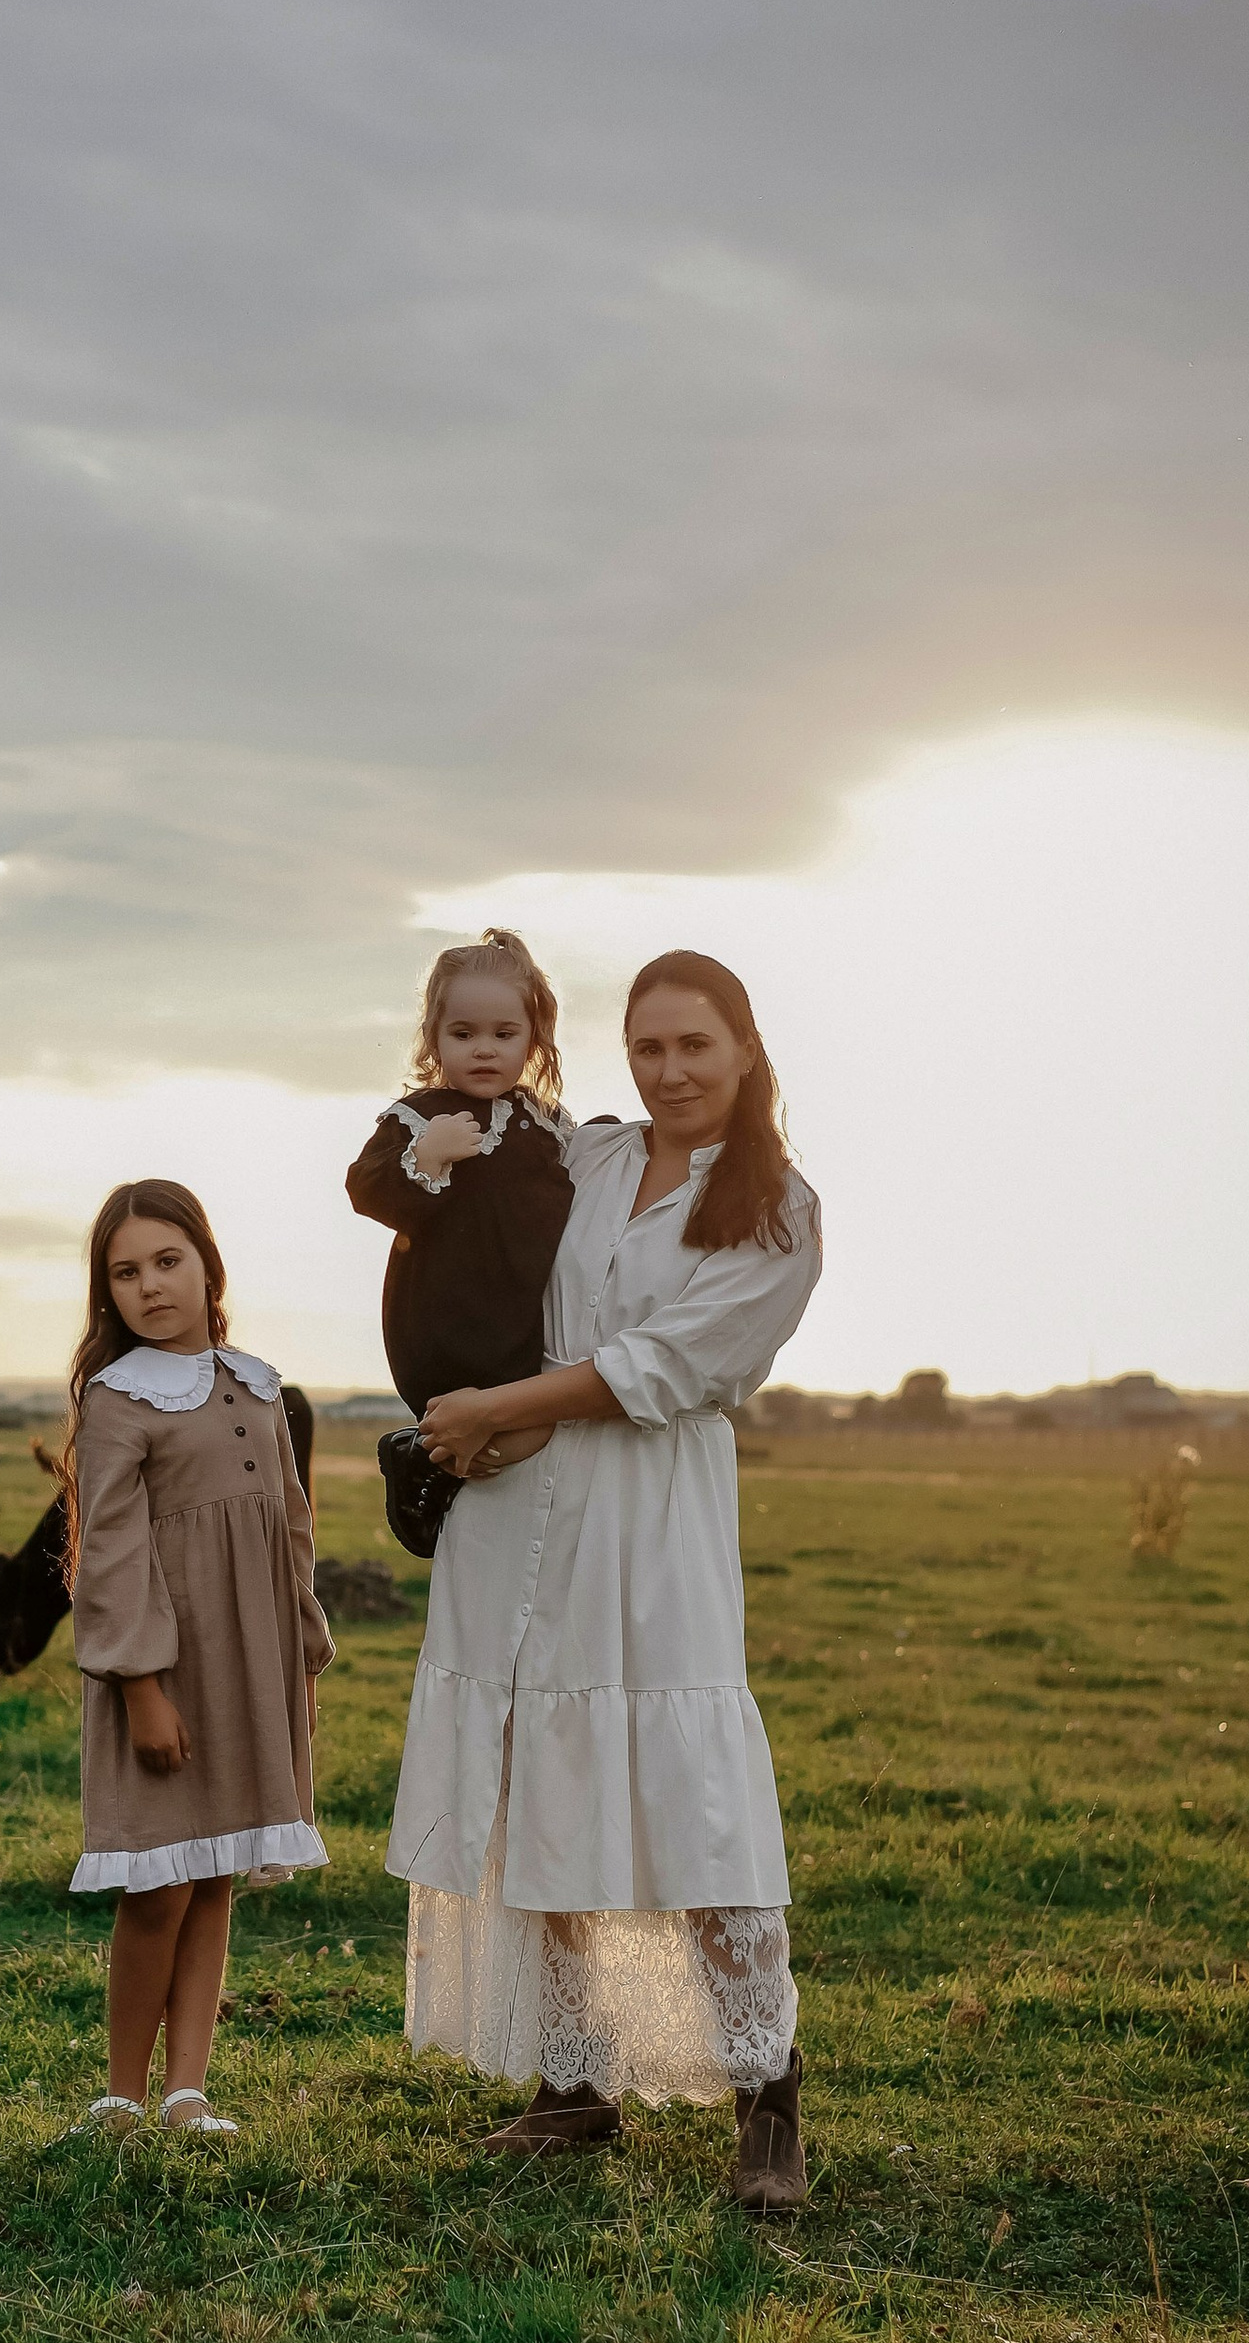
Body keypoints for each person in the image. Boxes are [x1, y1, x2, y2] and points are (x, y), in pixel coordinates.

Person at [387, 951, 823, 2206]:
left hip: (649, 1513)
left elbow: (662, 1366)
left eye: (694, 1046)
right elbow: (460, 1231)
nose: (671, 1071)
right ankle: (574, 2081)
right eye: (648, 1049)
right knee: (541, 1774)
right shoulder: (585, 1158)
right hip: (513, 1498)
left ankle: (766, 2095)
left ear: (743, 1051)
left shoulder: (779, 1208)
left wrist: (489, 1404)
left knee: (695, 1798)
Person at [62, 1178, 333, 2140]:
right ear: (109, 1294)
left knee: (214, 1876)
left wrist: (303, 1657)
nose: (150, 1286)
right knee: (158, 1883)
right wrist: (142, 1688)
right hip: (167, 1676)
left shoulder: (255, 1386)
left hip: (251, 1673)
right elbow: (113, 1554)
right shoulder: (116, 1401)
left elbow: (290, 1533)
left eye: (167, 1261)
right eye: (125, 1272)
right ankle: (122, 2097)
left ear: (208, 1265)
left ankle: (188, 2093)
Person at [343, 929, 574, 1558]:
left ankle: (427, 1460)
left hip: (517, 1318)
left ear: (532, 1039)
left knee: (528, 1434)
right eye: (463, 1034)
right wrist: (425, 1157)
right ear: (434, 1039)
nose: (484, 1050)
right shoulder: (421, 1115)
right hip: (444, 1316)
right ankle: (423, 1460)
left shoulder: (545, 1124)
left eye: (504, 1035)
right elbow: (366, 1189)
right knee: (498, 1429)